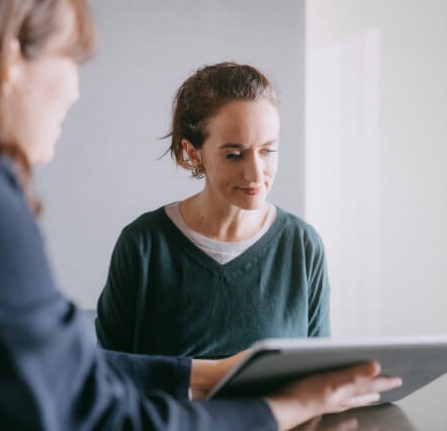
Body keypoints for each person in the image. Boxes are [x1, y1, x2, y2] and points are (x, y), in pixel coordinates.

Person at [0, 0, 401, 430]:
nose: (72, 90)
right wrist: (283, 408)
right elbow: (84, 413)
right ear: (10, 55)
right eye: (71, 57)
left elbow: (64, 368)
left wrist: (206, 374)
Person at [96, 63, 330, 359]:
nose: (256, 173)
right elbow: (107, 373)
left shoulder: (303, 245)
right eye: (234, 155)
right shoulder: (143, 245)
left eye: (268, 151)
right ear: (193, 154)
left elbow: (318, 373)